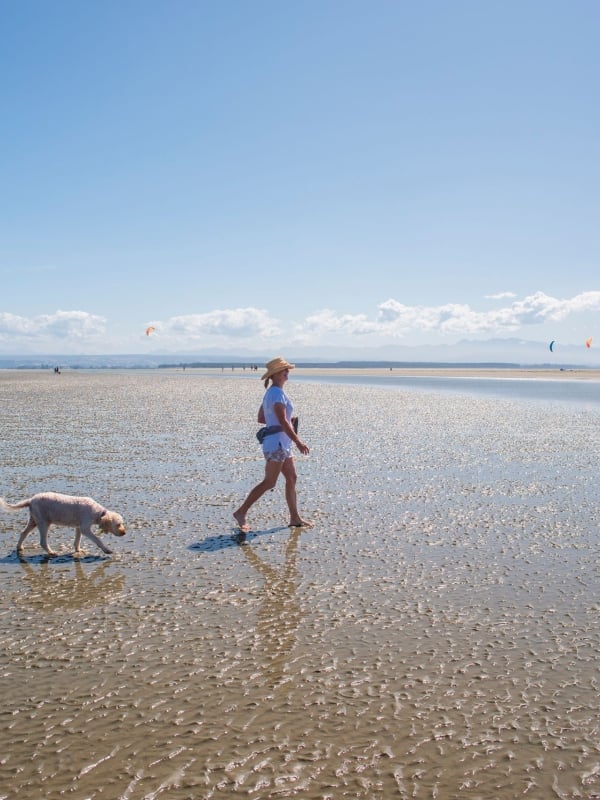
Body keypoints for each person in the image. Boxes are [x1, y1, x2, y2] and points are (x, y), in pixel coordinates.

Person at [234, 357, 312, 534]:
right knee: (270, 482)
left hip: (281, 442)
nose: (287, 372)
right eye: (284, 370)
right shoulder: (276, 393)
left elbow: (262, 418)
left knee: (292, 477)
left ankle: (294, 518)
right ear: (275, 374)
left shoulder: (273, 393)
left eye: (287, 369)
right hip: (276, 443)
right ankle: (241, 512)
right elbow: (283, 421)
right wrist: (298, 441)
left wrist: (277, 422)